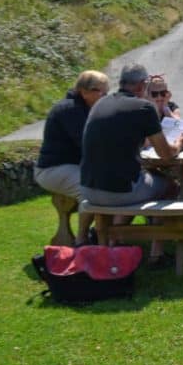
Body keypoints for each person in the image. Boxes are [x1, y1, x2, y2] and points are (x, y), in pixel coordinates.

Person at [80, 63, 183, 269]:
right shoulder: (143, 108)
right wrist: (179, 145)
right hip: (117, 192)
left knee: (135, 182)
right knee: (170, 185)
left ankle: (114, 243)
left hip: (87, 189)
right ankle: (157, 253)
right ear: (142, 85)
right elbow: (165, 155)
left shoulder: (101, 104)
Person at [34, 70, 110, 246]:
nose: (105, 97)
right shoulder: (69, 110)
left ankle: (104, 235)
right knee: (91, 192)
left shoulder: (87, 109)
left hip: (72, 167)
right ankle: (82, 240)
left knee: (109, 186)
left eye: (106, 92)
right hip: (52, 170)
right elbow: (88, 144)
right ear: (84, 92)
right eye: (101, 92)